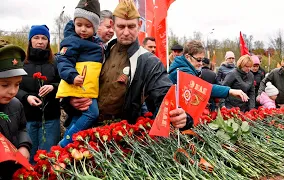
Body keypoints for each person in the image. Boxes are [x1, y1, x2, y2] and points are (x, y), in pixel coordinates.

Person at [63, 0, 192, 130]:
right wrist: (70, 101)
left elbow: (164, 93)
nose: (125, 32)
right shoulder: (98, 52)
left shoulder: (147, 61)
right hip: (87, 130)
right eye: (121, 26)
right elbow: (68, 77)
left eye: (131, 26)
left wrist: (182, 115)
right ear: (113, 25)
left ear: (139, 24)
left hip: (122, 135)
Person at [56, 0, 103, 148]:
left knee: (79, 116)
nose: (83, 29)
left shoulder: (95, 42)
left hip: (87, 86)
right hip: (79, 86)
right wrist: (72, 76)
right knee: (92, 113)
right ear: (74, 23)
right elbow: (63, 61)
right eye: (79, 25)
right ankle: (66, 142)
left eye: (88, 26)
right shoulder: (72, 41)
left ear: (95, 27)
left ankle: (67, 137)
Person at [15, 25, 60, 164]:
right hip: (27, 119)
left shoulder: (55, 63)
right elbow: (14, 88)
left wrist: (52, 87)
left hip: (50, 118)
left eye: (44, 38)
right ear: (30, 40)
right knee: (29, 159)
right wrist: (26, 97)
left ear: (48, 42)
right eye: (36, 37)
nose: (40, 41)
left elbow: (64, 83)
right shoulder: (21, 64)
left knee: (48, 159)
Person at [168, 40, 249, 107]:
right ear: (187, 57)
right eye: (198, 60)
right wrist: (229, 91)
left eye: (202, 60)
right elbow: (202, 87)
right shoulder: (182, 71)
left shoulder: (185, 68)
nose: (201, 63)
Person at [0, 42, 32, 179]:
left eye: (17, 84)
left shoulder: (16, 104)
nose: (13, 91)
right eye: (5, 85)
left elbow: (22, 128)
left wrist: (24, 146)